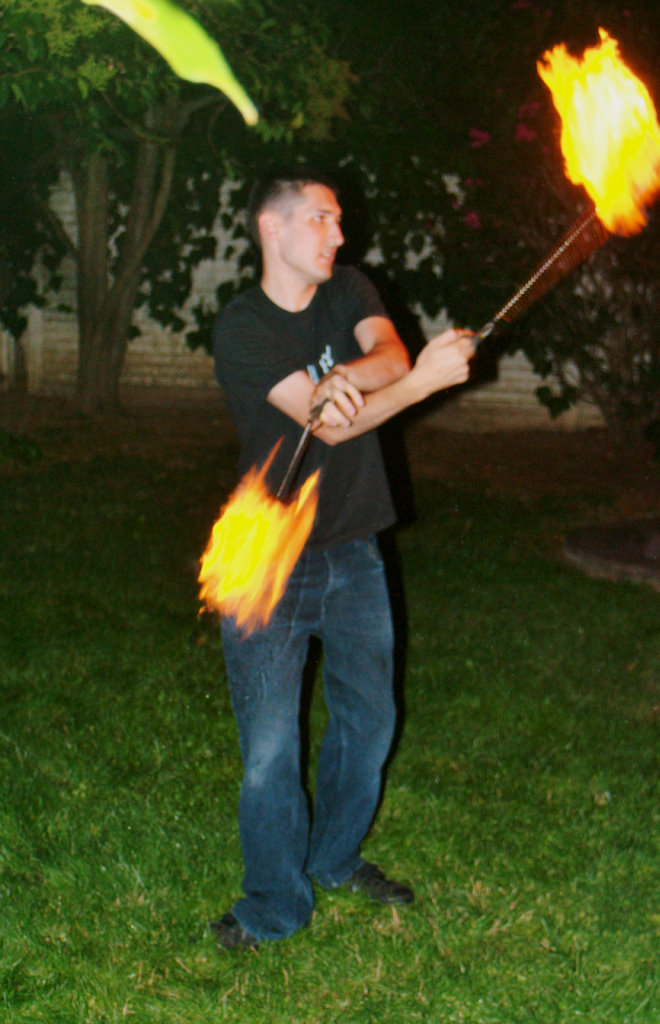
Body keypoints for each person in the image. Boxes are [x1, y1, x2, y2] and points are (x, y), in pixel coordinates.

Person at [210, 166, 474, 950]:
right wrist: (417, 387)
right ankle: (273, 904)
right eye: (321, 219)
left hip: (356, 550)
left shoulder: (349, 288)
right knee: (270, 751)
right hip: (269, 563)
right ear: (273, 227)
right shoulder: (242, 327)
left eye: (337, 219)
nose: (339, 232)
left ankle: (332, 857)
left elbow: (389, 354)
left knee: (370, 721)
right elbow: (327, 426)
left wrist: (358, 378)